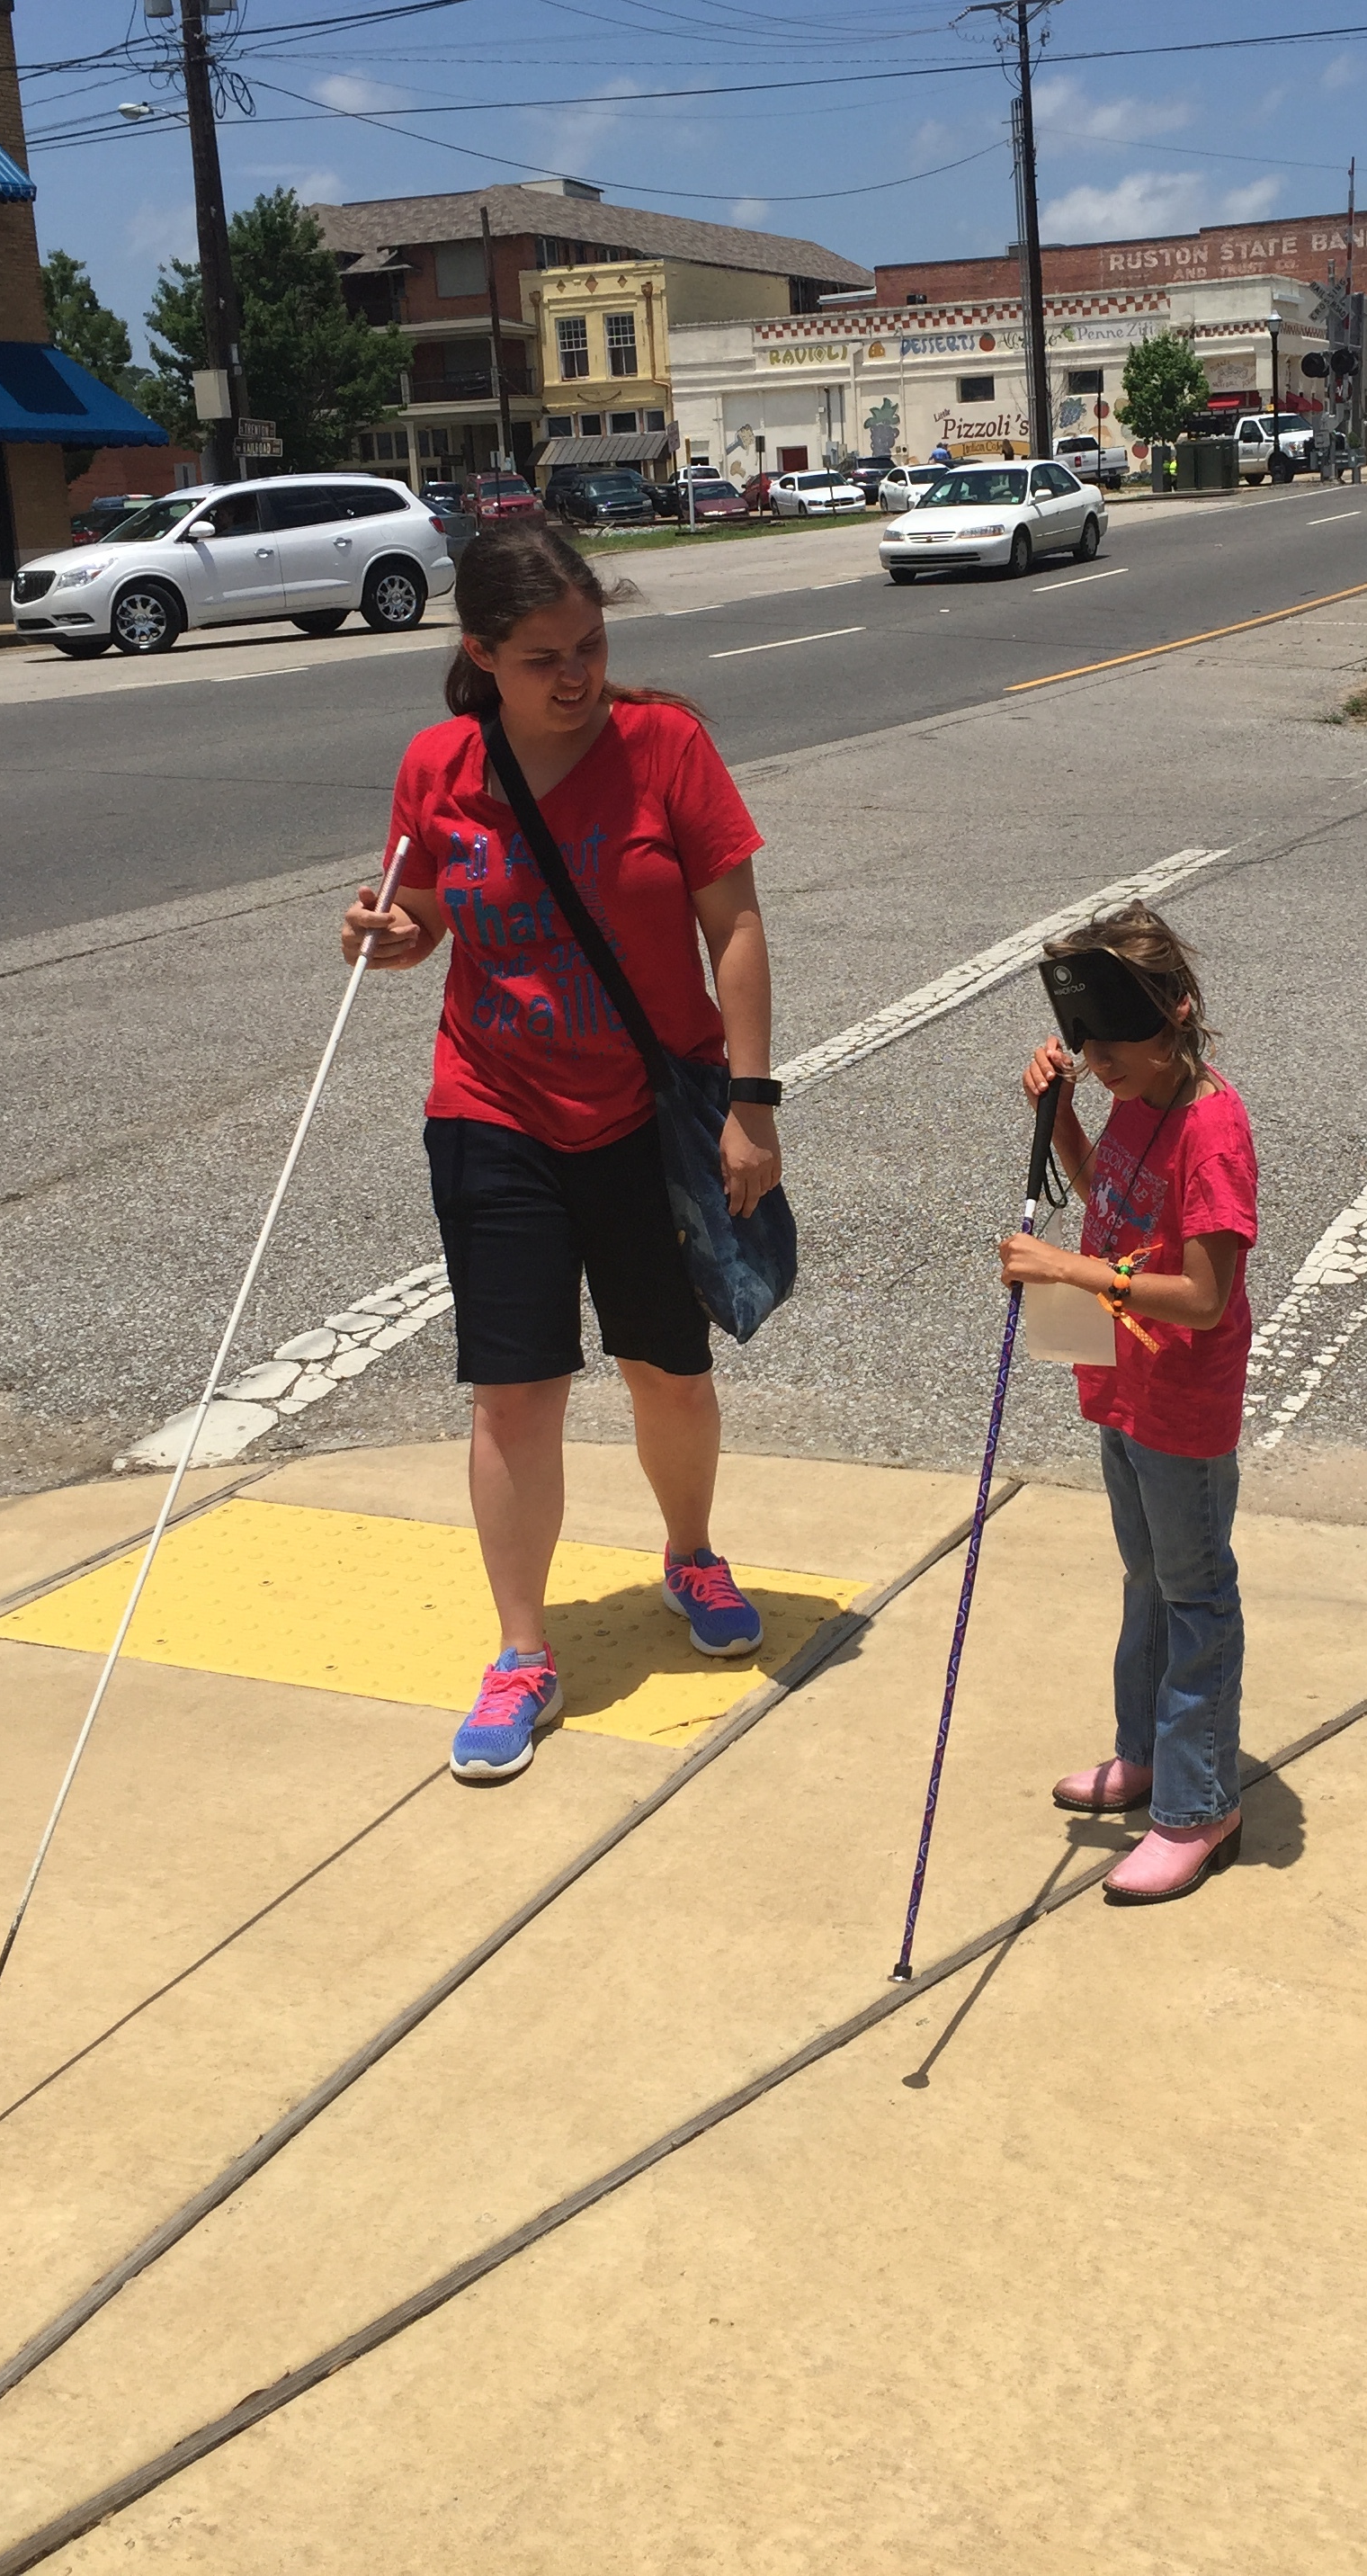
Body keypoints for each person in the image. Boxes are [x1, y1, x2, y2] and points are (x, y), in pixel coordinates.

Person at [344, 522, 784, 1786]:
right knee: (515, 1390)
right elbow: (428, 911)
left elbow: (734, 926)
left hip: (648, 1116)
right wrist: (390, 930)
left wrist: (750, 1102)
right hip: (490, 1106)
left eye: (591, 644)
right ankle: (522, 1650)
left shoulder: (667, 749)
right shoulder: (439, 764)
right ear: (480, 656)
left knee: (668, 1370)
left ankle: (690, 1551)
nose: (577, 674)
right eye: (543, 657)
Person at [997, 904, 1256, 1905]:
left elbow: (1204, 1296)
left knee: (1195, 1595)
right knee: (1146, 1576)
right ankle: (1145, 1751)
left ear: (1177, 1015)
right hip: (1123, 1382)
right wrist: (1061, 1118)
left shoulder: (1214, 1129)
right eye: (1088, 1049)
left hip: (1182, 1401)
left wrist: (1068, 1267)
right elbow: (1116, 1198)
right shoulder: (1140, 1096)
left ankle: (1198, 1805)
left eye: (1116, 1048)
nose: (1100, 1063)